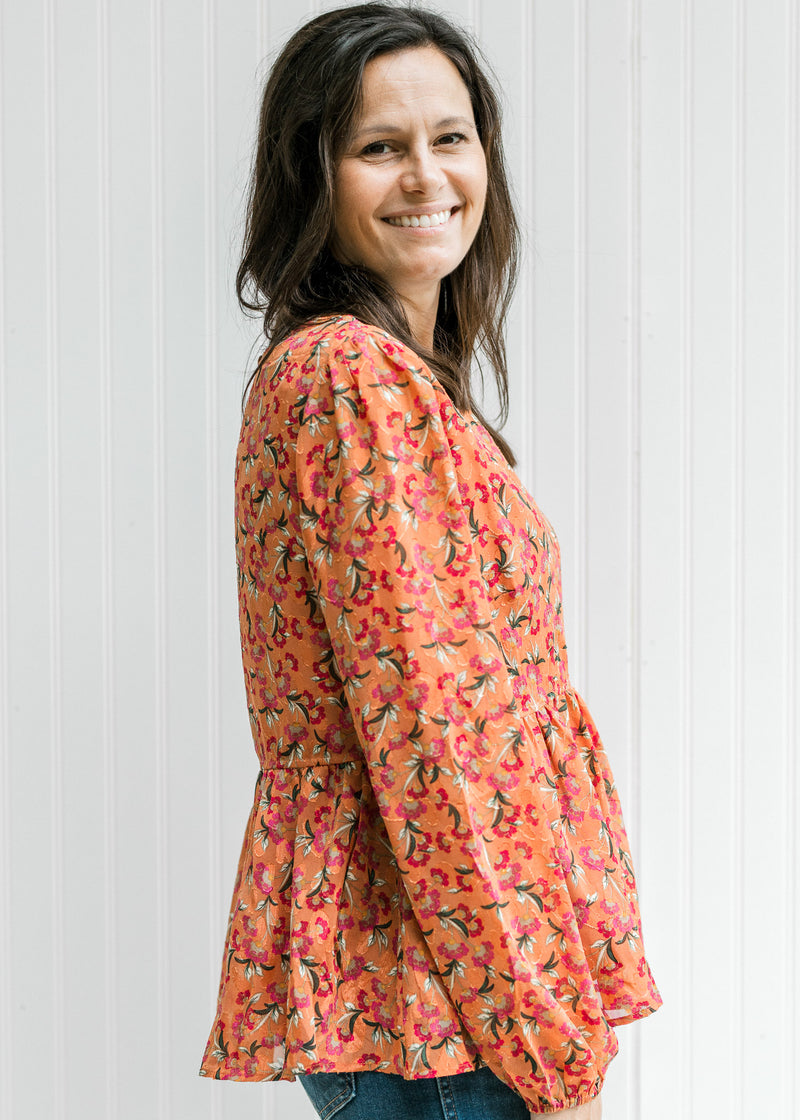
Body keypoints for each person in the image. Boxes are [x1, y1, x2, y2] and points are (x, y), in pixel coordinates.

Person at [199, 4, 661, 1117]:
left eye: (449, 138)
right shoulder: (349, 380)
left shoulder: (388, 378)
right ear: (311, 177)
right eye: (376, 147)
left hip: (447, 992)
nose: (425, 176)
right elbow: (436, 744)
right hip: (438, 1000)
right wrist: (545, 1041)